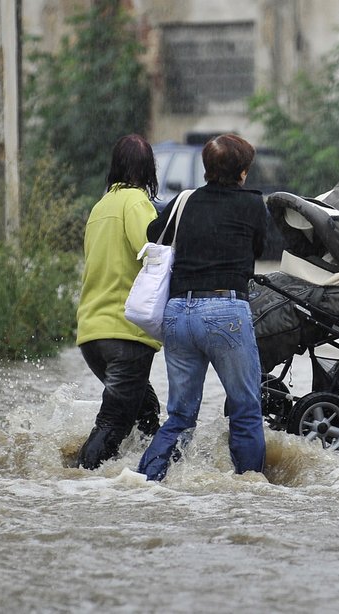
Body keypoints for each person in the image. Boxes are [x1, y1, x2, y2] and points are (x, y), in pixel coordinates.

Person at [137, 134, 267, 481]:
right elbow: (261, 246)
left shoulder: (184, 200)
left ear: (207, 169)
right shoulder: (253, 204)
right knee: (245, 409)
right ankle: (252, 487)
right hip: (226, 311)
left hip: (178, 313)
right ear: (242, 173)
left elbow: (154, 234)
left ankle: (144, 481)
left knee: (180, 415)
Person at [76, 134, 163, 470]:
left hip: (92, 335)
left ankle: (147, 476)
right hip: (124, 335)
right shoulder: (136, 203)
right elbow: (153, 256)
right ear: (148, 170)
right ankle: (79, 480)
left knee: (146, 412)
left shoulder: (99, 208)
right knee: (113, 423)